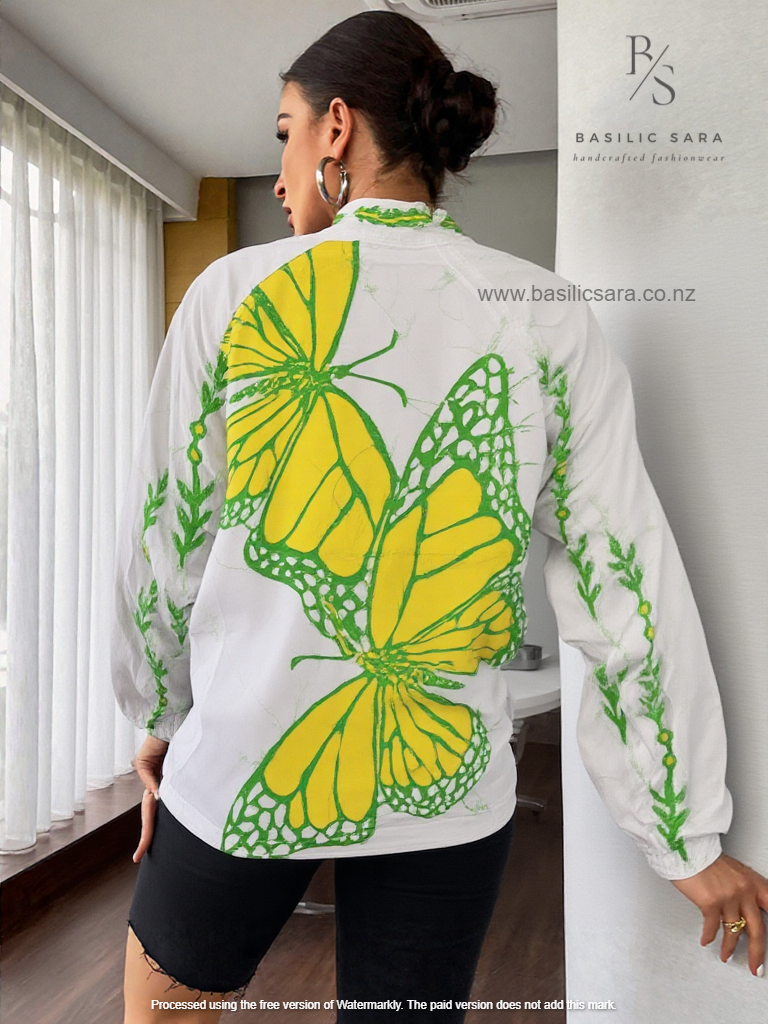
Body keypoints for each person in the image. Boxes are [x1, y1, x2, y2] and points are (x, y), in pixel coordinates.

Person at [111, 11, 768, 1024]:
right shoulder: (545, 313)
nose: (278, 175)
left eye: (284, 133)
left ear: (336, 128)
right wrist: (683, 835)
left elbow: (166, 542)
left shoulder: (235, 294)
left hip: (240, 768)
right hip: (448, 788)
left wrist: (158, 714)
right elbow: (622, 575)